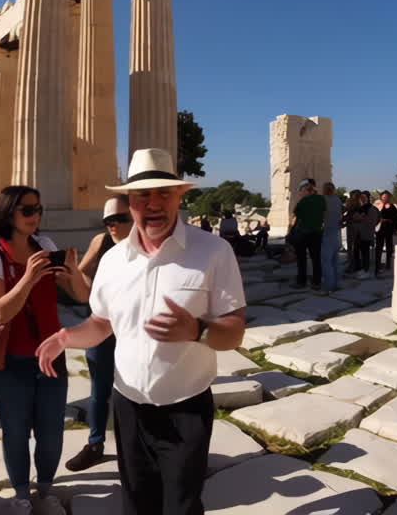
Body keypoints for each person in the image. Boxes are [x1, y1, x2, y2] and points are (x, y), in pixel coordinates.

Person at [34, 148, 246, 515]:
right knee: (135, 505)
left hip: (186, 407)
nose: (153, 204)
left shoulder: (213, 251)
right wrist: (67, 337)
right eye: (142, 195)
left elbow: (234, 333)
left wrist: (196, 330)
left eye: (164, 193)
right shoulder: (114, 260)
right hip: (129, 407)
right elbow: (102, 323)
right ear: (128, 202)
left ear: (180, 196)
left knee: (180, 506)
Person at [0, 185, 89, 514]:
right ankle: (21, 495)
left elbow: (81, 296)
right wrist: (28, 277)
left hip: (51, 355)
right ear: (8, 213)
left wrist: (73, 269)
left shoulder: (46, 245)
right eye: (27, 210)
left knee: (52, 431)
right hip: (9, 360)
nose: (35, 216)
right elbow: (1, 311)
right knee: (15, 430)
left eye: (38, 209)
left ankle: (46, 489)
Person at [67, 196, 132, 472]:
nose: (113, 226)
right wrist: (85, 281)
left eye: (120, 219)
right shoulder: (101, 242)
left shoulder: (147, 245)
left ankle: (133, 447)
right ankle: (95, 443)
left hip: (132, 328)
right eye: (108, 221)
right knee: (99, 389)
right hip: (102, 325)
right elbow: (79, 276)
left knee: (131, 390)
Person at [288, 179, 325, 290]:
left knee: (301, 259)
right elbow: (323, 212)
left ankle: (301, 281)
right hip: (317, 233)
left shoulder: (303, 201)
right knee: (316, 258)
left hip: (304, 233)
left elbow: (296, 215)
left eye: (302, 190)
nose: (301, 192)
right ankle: (317, 282)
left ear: (306, 190)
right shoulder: (321, 199)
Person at [317, 184, 342, 294]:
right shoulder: (337, 200)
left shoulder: (323, 199)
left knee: (326, 262)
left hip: (327, 231)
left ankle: (328, 286)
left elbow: (320, 215)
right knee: (335, 261)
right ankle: (335, 284)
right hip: (336, 232)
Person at [373, 192, 397, 275]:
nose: (384, 198)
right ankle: (377, 265)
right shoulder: (377, 206)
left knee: (389, 246)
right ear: (381, 198)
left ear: (389, 197)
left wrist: (390, 221)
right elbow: (374, 217)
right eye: (383, 197)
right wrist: (380, 220)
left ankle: (388, 264)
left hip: (389, 229)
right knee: (379, 247)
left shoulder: (393, 206)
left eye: (386, 197)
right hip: (379, 230)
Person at [350, 191, 378, 276]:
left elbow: (358, 218)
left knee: (364, 252)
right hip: (363, 233)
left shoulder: (369, 208)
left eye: (363, 197)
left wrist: (360, 219)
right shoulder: (367, 208)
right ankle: (361, 269)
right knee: (359, 251)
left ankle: (365, 270)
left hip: (365, 233)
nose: (361, 199)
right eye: (361, 197)